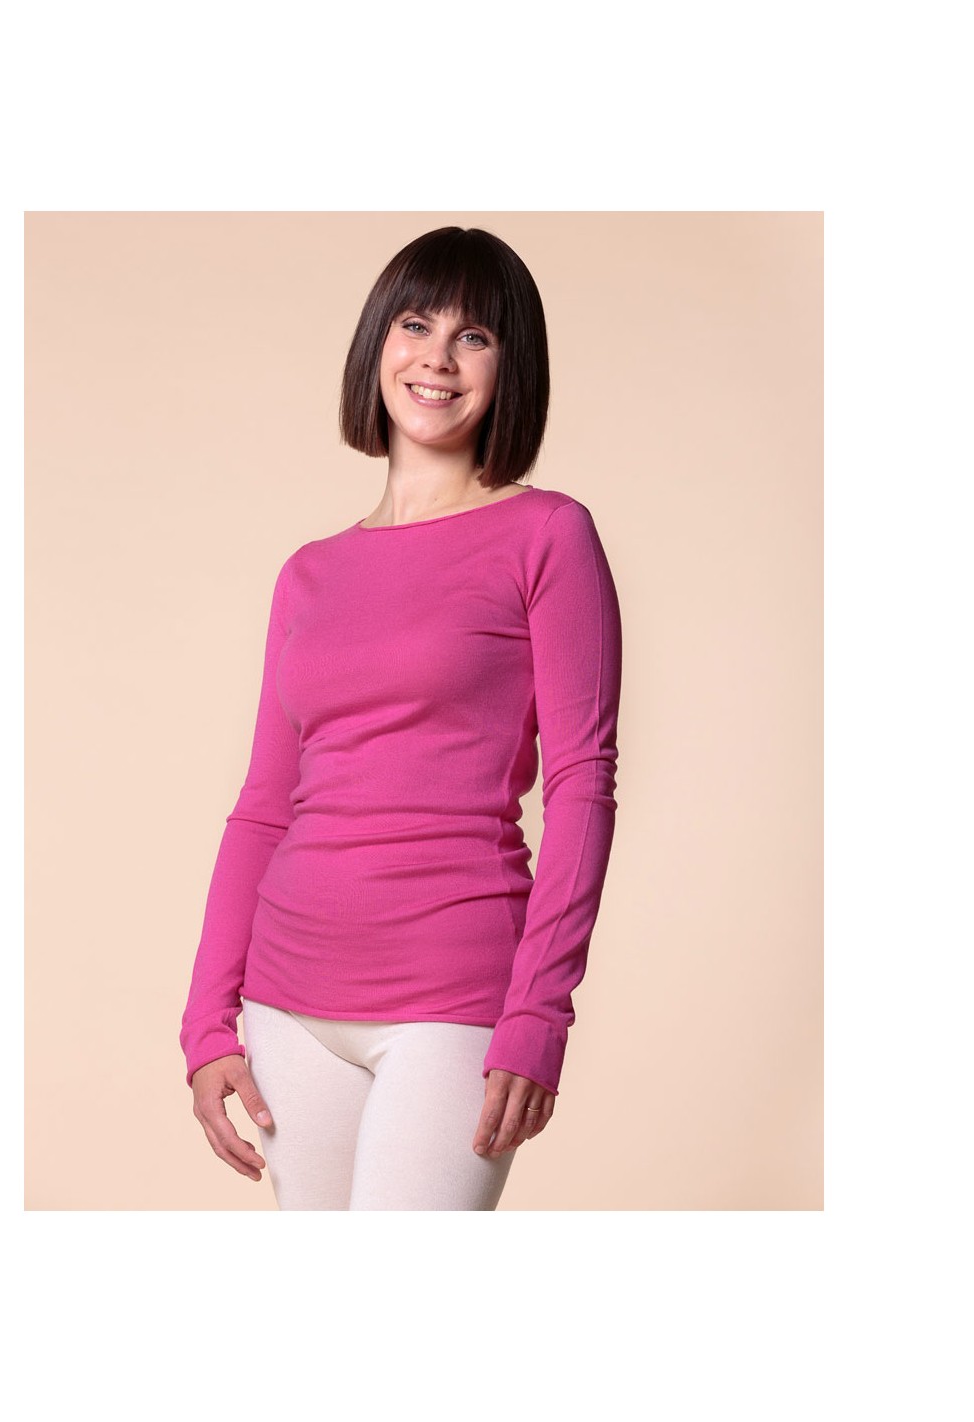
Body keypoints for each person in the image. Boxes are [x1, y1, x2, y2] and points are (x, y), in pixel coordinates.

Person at [179, 225, 623, 1210]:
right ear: (377, 342)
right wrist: (206, 1023)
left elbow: (582, 784)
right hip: (287, 1000)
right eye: (415, 324)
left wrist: (539, 1013)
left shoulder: (546, 535)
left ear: (510, 367)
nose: (437, 357)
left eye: (475, 336)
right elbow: (263, 805)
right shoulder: (309, 573)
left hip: (452, 993)